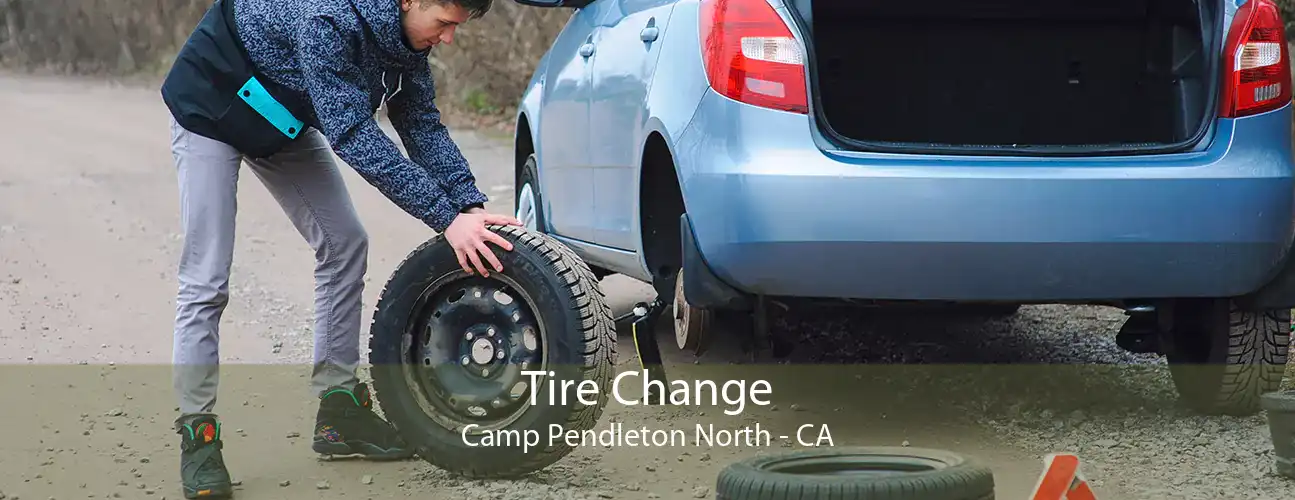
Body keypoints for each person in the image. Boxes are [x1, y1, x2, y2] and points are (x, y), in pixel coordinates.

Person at [159, 0, 518, 497]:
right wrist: (445, 220)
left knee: (345, 243)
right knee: (207, 278)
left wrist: (469, 206)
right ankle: (197, 435)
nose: (449, 39)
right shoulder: (326, 21)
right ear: (410, 0)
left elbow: (421, 124)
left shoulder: (406, 41)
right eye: (444, 24)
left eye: (457, 28)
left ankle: (340, 411)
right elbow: (352, 133)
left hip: (280, 117)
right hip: (210, 104)